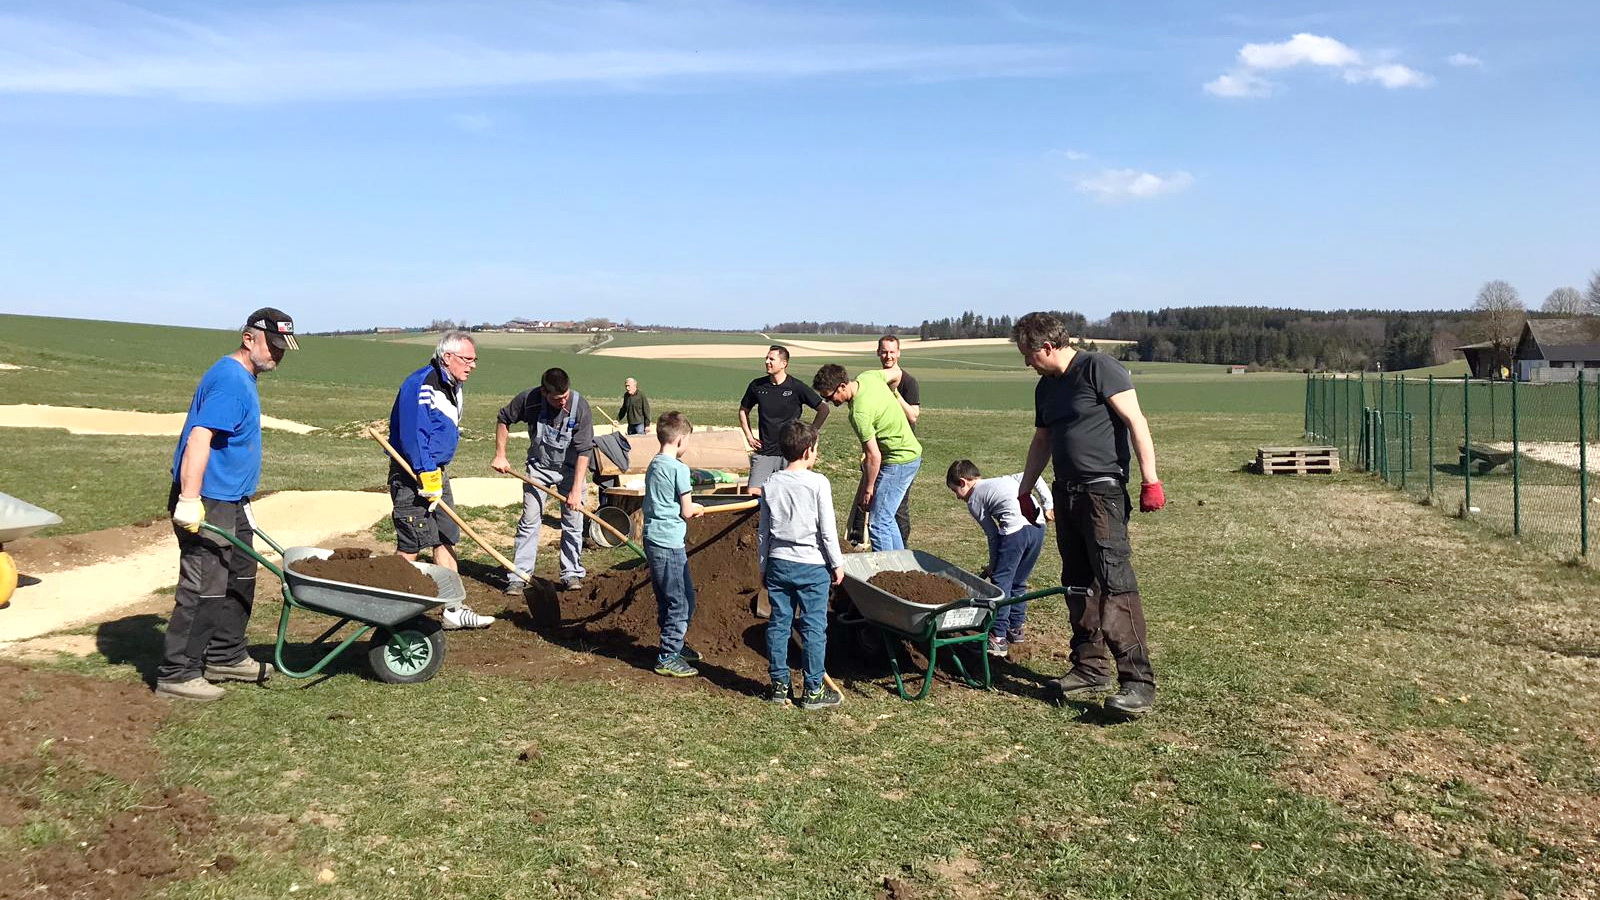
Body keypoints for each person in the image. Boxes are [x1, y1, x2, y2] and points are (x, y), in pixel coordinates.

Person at [1013, 311, 1166, 719]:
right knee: (1078, 584)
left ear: (1047, 346)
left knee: (1115, 583)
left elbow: (1136, 421)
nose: (1027, 362)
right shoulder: (1045, 388)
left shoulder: (1100, 368)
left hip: (1103, 493)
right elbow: (1043, 438)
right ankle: (1089, 666)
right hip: (1067, 493)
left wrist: (1150, 480)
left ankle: (1137, 682)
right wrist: (1026, 487)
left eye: (1028, 354)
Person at [157, 308, 298, 701]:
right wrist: (188, 499)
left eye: (283, 348)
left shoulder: (244, 377)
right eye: (272, 345)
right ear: (249, 337)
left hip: (234, 500)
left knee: (240, 576)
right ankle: (178, 673)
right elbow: (199, 439)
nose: (278, 354)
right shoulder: (230, 381)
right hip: (208, 499)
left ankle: (225, 654)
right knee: (205, 585)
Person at [387, 330, 495, 630]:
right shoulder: (422, 384)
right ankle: (386, 604)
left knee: (445, 536)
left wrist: (436, 474)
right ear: (448, 357)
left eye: (475, 360)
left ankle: (453, 608)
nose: (472, 365)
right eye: (467, 359)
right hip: (412, 475)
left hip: (437, 472)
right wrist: (425, 473)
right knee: (412, 543)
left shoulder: (453, 385)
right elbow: (413, 433)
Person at [757, 421, 844, 709]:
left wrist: (762, 566)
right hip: (812, 565)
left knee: (779, 624)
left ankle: (779, 685)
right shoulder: (819, 482)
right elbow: (828, 530)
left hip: (779, 563)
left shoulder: (770, 484)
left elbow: (764, 531)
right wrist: (837, 563)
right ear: (808, 451)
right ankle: (813, 689)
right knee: (814, 627)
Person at [493, 367, 595, 594]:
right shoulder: (529, 400)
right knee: (529, 521)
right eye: (558, 399)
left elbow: (584, 451)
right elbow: (503, 418)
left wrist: (576, 490)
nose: (563, 402)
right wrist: (500, 454)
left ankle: (571, 574)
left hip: (570, 470)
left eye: (565, 396)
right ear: (544, 392)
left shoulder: (580, 406)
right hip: (538, 467)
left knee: (573, 523)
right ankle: (519, 575)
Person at [946, 460, 1052, 659]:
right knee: (1018, 582)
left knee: (1001, 585)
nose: (957, 497)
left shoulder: (974, 499)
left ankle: (998, 637)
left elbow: (993, 534)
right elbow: (1034, 476)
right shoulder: (1006, 479)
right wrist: (1048, 505)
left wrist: (994, 566)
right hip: (1037, 528)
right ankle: (1016, 628)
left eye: (954, 491)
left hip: (1014, 534)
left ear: (963, 482)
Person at [811, 362, 922, 552]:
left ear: (843, 386)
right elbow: (896, 373)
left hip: (898, 461)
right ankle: (902, 566)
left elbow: (873, 456)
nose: (830, 402)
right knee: (887, 518)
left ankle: (888, 575)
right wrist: (892, 393)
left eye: (829, 396)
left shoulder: (859, 413)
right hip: (911, 455)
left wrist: (868, 489)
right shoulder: (869, 377)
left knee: (877, 525)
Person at [642, 411, 707, 677]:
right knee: (680, 602)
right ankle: (668, 656)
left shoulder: (654, 464)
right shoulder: (679, 469)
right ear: (680, 440)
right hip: (669, 542)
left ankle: (675, 645)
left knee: (673, 597)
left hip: (652, 537)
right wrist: (698, 508)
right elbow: (687, 510)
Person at [847, 334, 921, 546]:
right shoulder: (876, 377)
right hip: (882, 453)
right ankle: (894, 553)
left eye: (892, 352)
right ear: (878, 353)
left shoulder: (908, 382)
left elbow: (913, 415)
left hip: (900, 453)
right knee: (881, 509)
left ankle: (900, 548)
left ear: (898, 353)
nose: (888, 356)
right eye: (884, 352)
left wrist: (894, 394)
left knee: (896, 510)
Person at [739, 345, 829, 496]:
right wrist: (749, 436)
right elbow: (743, 411)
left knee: (791, 494)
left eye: (771, 359)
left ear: (784, 364)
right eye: (766, 358)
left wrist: (811, 433)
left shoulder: (796, 387)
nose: (767, 361)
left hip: (791, 453)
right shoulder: (757, 386)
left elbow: (824, 409)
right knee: (753, 493)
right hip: (765, 452)